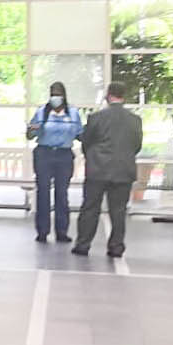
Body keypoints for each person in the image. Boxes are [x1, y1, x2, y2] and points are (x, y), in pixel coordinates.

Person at [73, 81, 144, 259]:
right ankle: (116, 247)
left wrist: (92, 157)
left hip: (97, 170)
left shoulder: (96, 118)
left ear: (108, 95)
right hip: (123, 171)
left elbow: (86, 142)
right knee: (118, 211)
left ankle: (83, 244)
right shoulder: (135, 120)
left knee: (90, 208)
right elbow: (137, 145)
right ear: (124, 96)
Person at [26, 81, 83, 244]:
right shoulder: (42, 112)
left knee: (62, 194)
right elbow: (30, 135)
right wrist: (31, 130)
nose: (55, 97)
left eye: (57, 94)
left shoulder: (73, 113)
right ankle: (42, 231)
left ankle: (62, 231)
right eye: (52, 94)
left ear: (64, 95)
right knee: (43, 193)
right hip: (44, 153)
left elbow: (80, 134)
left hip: (64, 155)